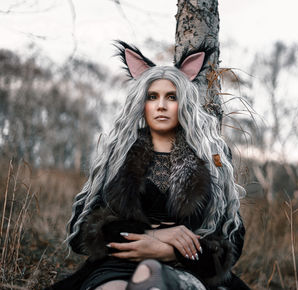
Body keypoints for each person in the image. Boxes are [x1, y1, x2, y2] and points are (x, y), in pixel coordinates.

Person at [48, 41, 249, 290]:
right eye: (152, 97)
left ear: (184, 103)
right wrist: (151, 236)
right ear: (141, 103)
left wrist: (172, 252)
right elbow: (82, 233)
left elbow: (232, 239)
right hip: (118, 265)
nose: (161, 105)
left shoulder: (209, 156)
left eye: (171, 97)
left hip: (185, 269)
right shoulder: (118, 154)